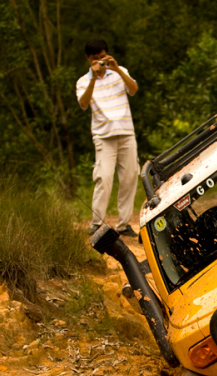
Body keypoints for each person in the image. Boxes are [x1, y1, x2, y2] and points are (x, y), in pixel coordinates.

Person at [76, 38, 140, 237]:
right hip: (103, 136)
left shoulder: (121, 72)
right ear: (88, 59)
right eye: (95, 59)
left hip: (126, 132)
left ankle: (123, 224)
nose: (100, 62)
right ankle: (96, 223)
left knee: (130, 178)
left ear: (108, 54)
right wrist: (94, 78)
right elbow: (83, 103)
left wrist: (117, 69)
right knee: (103, 178)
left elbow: (134, 89)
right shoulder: (83, 81)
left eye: (103, 57)